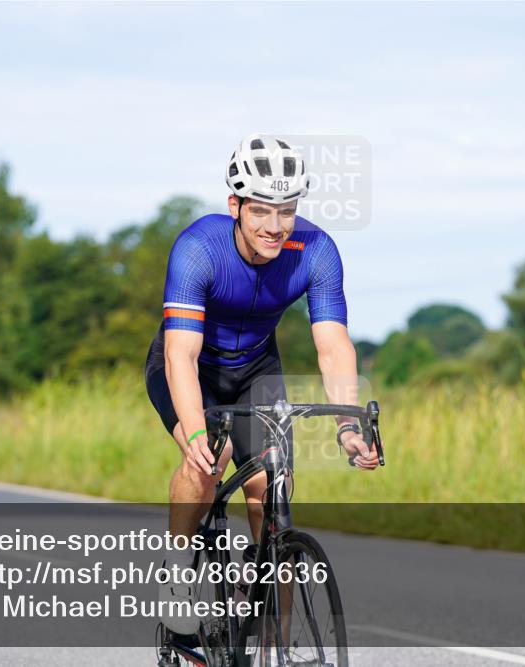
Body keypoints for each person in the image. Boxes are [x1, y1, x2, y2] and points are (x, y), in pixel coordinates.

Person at [145, 133, 378, 634]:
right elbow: (181, 355)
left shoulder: (315, 250)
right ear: (235, 206)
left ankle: (273, 638)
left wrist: (347, 425)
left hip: (256, 367)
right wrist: (195, 433)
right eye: (261, 211)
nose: (275, 226)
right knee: (210, 460)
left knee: (275, 487)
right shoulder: (198, 249)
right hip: (191, 366)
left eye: (286, 211)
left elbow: (333, 347)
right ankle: (179, 568)